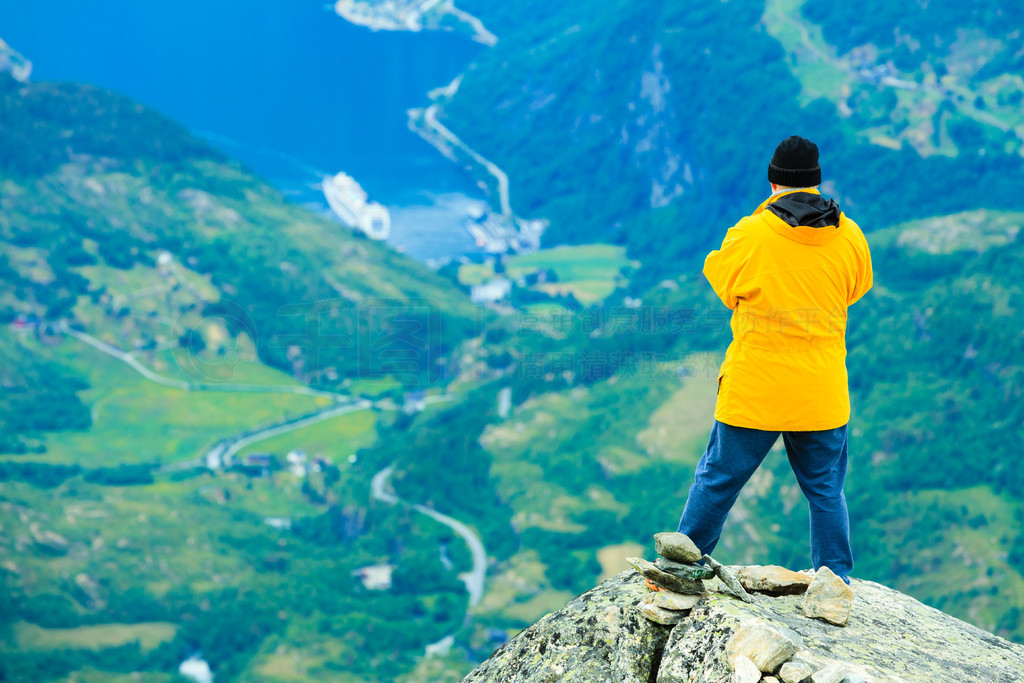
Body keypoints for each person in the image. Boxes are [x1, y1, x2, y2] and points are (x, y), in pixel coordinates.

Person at [675, 135, 872, 584]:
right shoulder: (851, 236)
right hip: (820, 389)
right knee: (825, 489)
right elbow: (855, 290)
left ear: (772, 182)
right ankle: (834, 583)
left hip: (757, 386)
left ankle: (680, 569)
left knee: (718, 479)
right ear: (818, 182)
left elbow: (723, 282)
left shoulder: (750, 234)